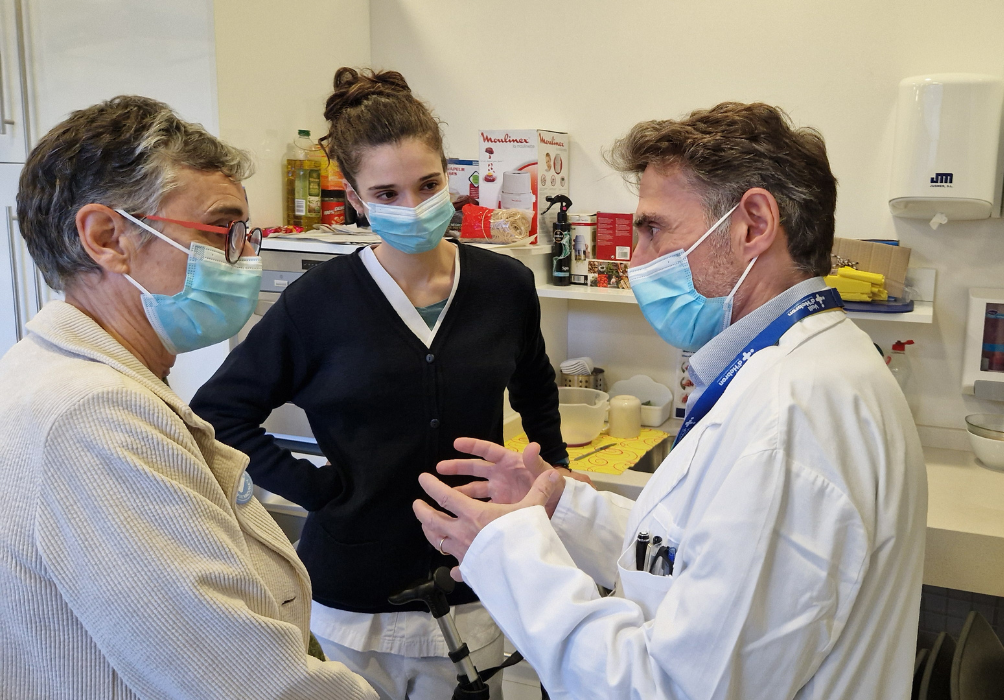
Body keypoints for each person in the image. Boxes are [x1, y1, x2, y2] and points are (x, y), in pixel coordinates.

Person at [411, 102, 928, 699]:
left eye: (653, 229)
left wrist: (508, 555)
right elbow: (700, 558)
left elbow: (668, 688)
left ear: (754, 224)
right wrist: (560, 512)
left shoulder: (791, 422)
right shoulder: (802, 367)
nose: (636, 261)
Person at [191, 68, 572, 699]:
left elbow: (535, 384)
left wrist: (553, 473)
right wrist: (316, 489)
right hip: (353, 597)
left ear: (450, 176)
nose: (412, 207)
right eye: (387, 193)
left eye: (427, 185)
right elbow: (218, 414)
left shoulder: (504, 286)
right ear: (356, 198)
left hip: (476, 576)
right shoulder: (318, 303)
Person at [0, 96, 376, 699]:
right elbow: (249, 685)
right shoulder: (95, 417)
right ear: (107, 238)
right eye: (223, 232)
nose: (245, 260)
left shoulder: (55, 374)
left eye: (247, 236)